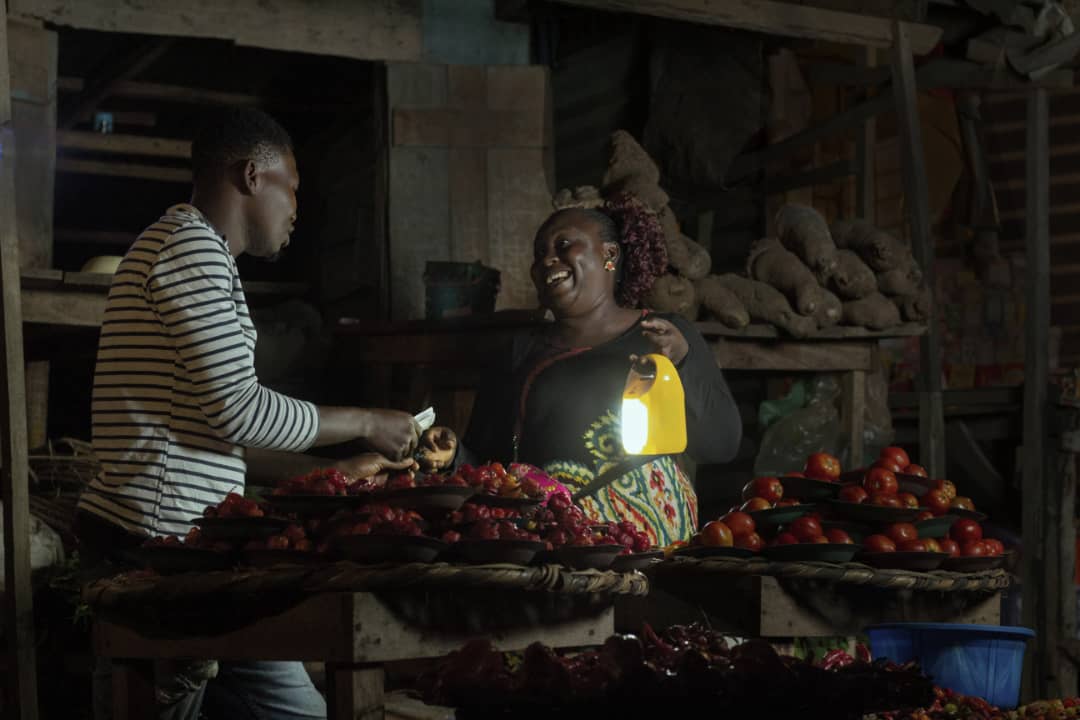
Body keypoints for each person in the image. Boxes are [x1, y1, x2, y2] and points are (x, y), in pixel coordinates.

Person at [75, 107, 418, 720]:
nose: (296, 210)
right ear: (252, 176)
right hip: (158, 550)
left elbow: (216, 433)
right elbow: (238, 413)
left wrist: (331, 474)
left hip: (205, 554)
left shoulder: (202, 255)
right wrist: (366, 420)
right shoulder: (190, 251)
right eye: (293, 188)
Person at [418, 193, 742, 546]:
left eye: (564, 244)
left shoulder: (666, 335)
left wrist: (681, 361)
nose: (547, 260)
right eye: (539, 253)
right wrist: (452, 456)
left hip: (650, 551)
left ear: (609, 255)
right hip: (553, 547)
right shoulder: (518, 353)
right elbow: (487, 463)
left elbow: (721, 443)